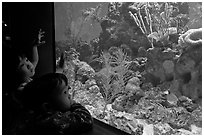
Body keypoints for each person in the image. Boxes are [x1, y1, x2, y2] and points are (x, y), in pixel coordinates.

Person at [18, 73, 93, 135]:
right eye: (65, 92)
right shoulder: (52, 121)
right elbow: (86, 119)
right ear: (47, 107)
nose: (69, 96)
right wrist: (74, 104)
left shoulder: (30, 112)